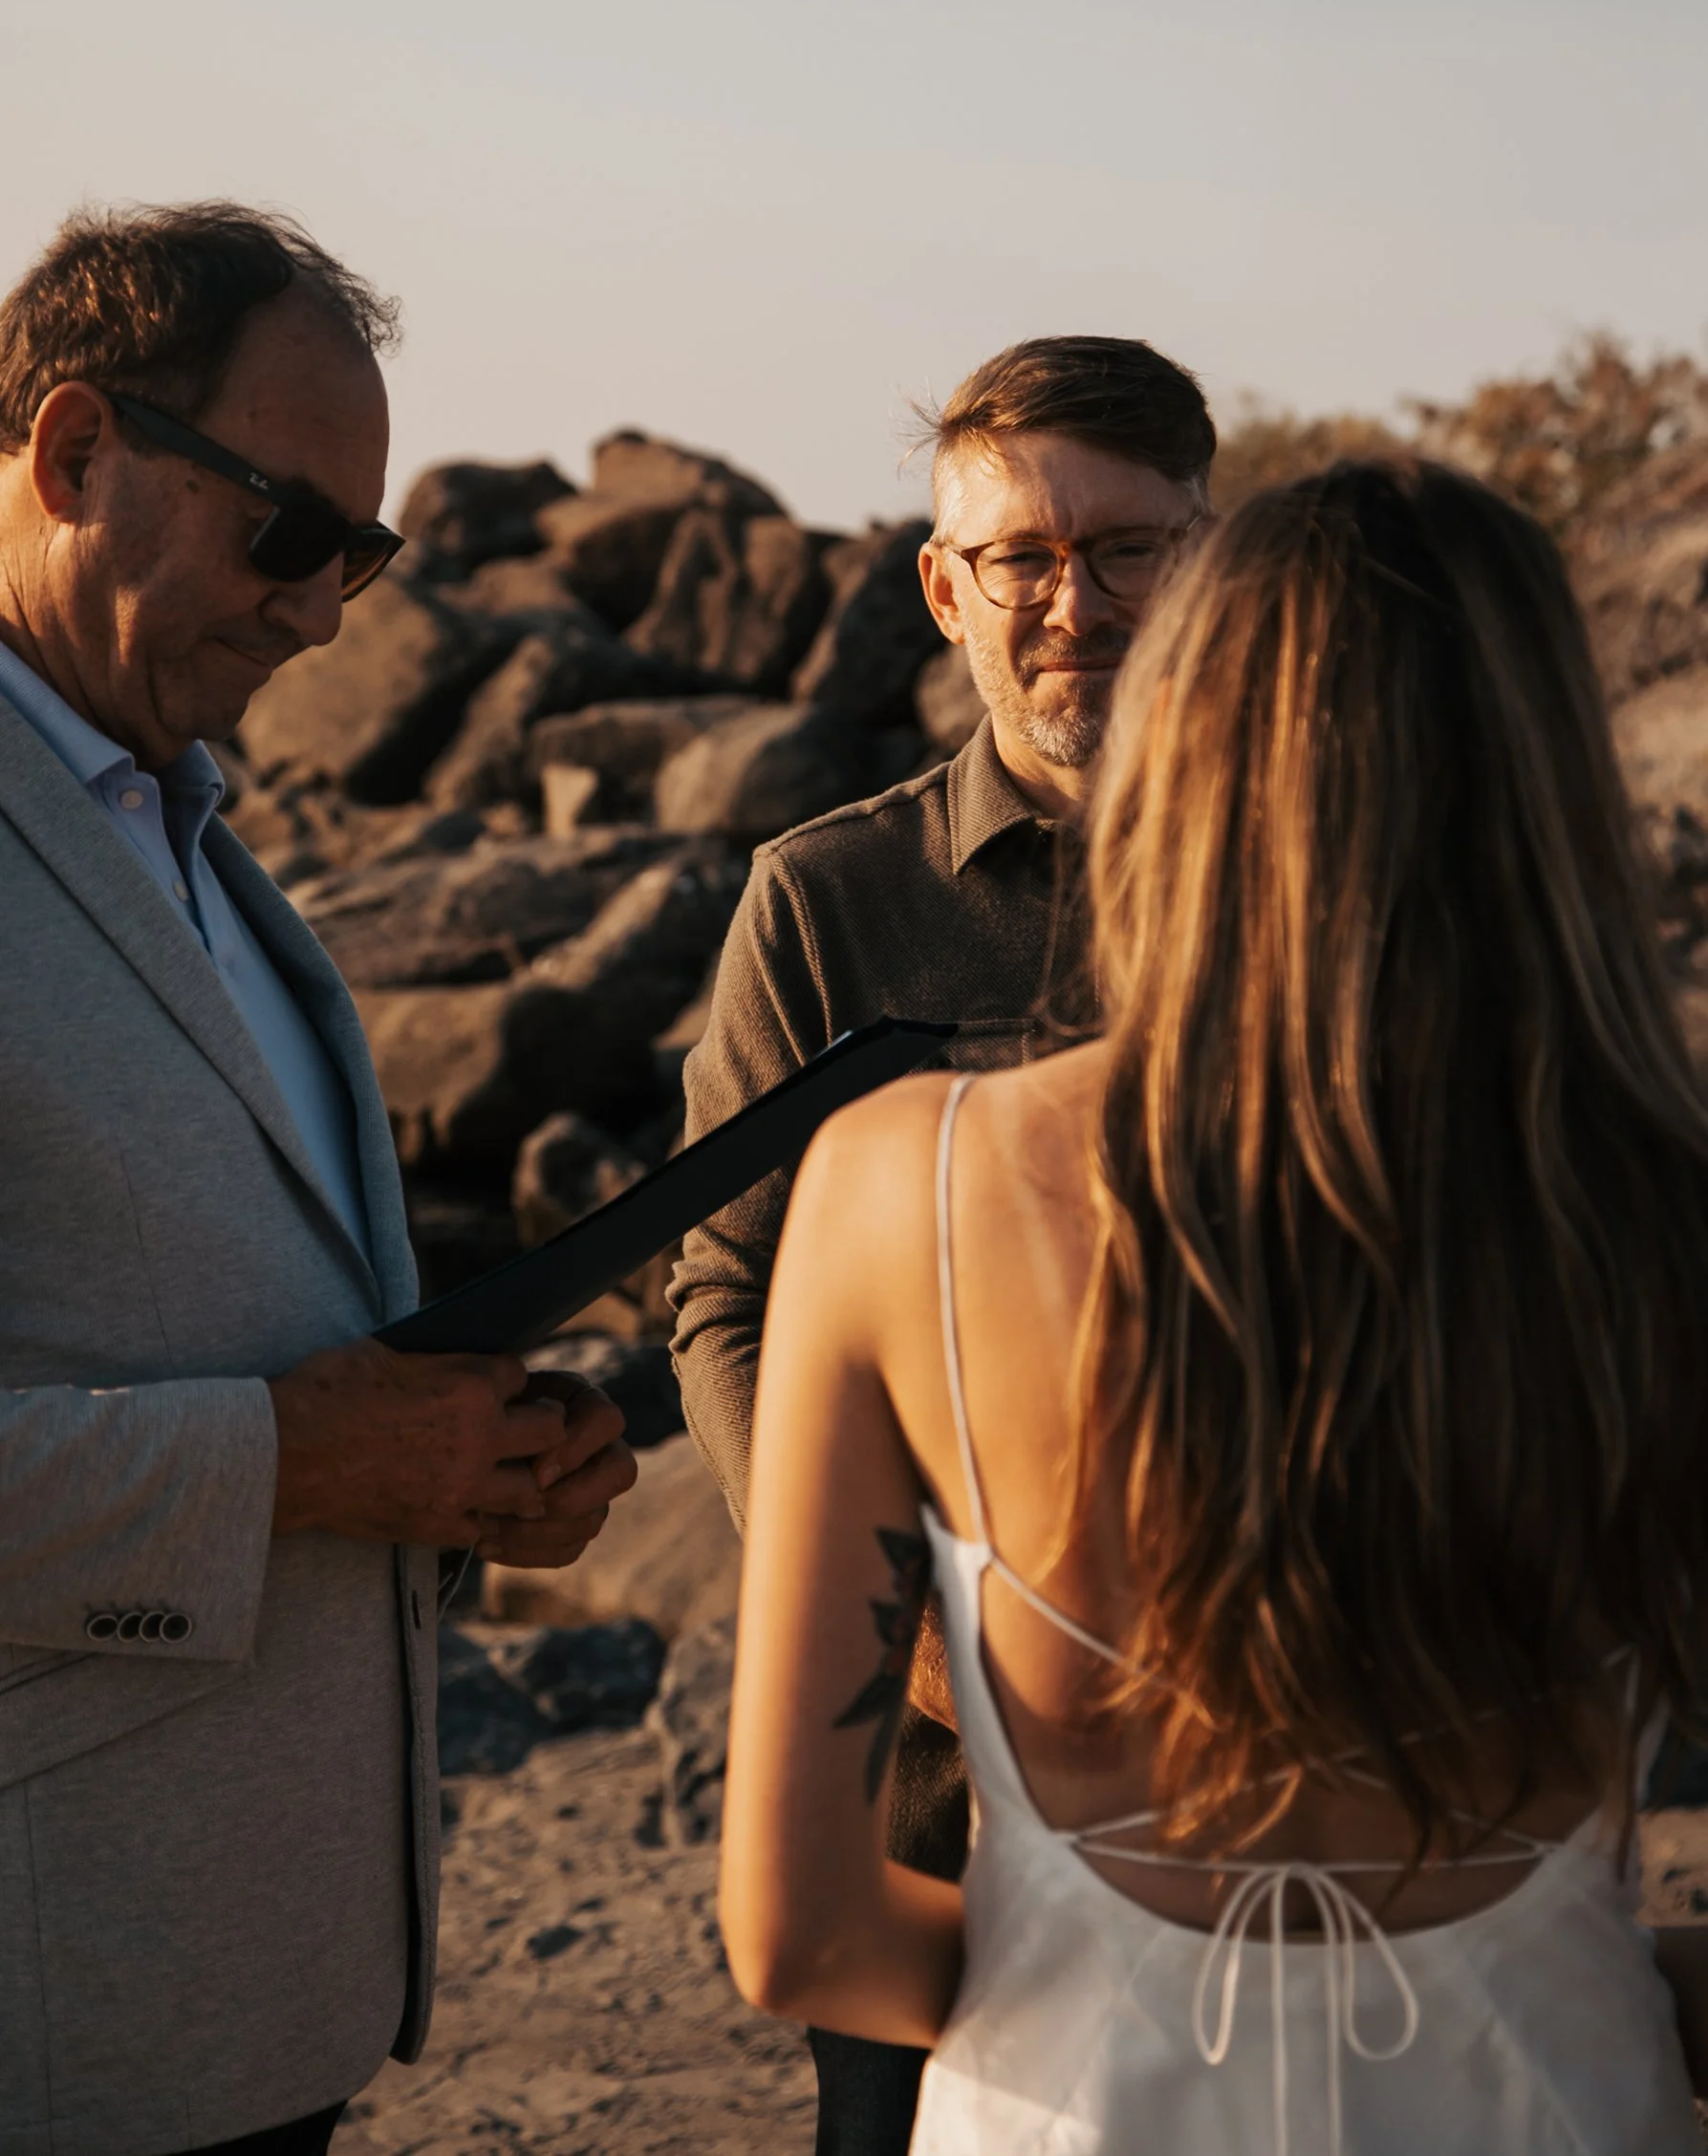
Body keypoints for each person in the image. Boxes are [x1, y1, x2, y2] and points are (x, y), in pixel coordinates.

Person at [723, 459, 1708, 2153]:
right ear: (1547, 769)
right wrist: (1576, 1967)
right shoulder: (1659, 1207)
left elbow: (798, 1931)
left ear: (1181, 739)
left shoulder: (904, 1181)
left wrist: (1089, 1980)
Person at [0, 203, 638, 2156]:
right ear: (71, 451)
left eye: (361, 554)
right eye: (288, 529)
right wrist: (300, 1466)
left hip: (256, 2019)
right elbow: (274, 1431)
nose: (324, 612)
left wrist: (453, 1476)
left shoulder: (190, 838)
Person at [670, 334, 1213, 2152]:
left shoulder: (1322, 880)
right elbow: (723, 1289)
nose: (1076, 605)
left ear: (1208, 559)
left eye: (1128, 549)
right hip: (930, 1790)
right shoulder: (822, 906)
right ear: (942, 587)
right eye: (1021, 561)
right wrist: (886, 1621)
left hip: (1292, 1777)